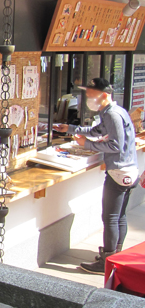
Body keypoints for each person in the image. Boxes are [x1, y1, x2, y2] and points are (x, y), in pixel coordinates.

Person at [55, 78, 138, 275]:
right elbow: (96, 131)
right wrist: (70, 129)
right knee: (119, 216)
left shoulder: (113, 115)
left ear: (105, 94)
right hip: (127, 170)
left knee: (110, 217)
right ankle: (115, 255)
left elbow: (115, 145)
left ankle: (107, 260)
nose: (88, 97)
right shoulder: (111, 112)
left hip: (119, 171)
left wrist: (87, 145)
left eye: (92, 94)